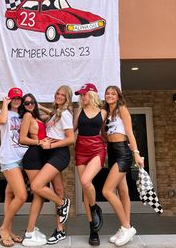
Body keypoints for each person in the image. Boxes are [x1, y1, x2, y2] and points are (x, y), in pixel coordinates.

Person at [30, 85, 75, 244]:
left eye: (62, 95)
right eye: (57, 93)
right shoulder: (56, 113)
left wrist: (51, 146)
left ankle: (63, 204)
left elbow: (71, 139)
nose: (59, 96)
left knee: (36, 186)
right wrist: (39, 106)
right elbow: (52, 114)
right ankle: (60, 230)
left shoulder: (66, 115)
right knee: (59, 189)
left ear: (67, 98)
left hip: (58, 154)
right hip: (49, 154)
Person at [102, 86, 144, 247]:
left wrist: (136, 153)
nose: (110, 95)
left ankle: (127, 227)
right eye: (108, 93)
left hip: (122, 152)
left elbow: (130, 132)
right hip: (112, 151)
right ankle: (124, 227)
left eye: (113, 93)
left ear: (118, 96)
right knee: (123, 191)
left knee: (107, 191)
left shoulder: (122, 109)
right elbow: (105, 134)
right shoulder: (106, 113)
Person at [74, 83, 106, 246]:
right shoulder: (78, 111)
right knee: (86, 189)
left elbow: (108, 131)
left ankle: (94, 209)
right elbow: (70, 129)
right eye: (80, 95)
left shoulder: (103, 112)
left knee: (86, 181)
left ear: (92, 95)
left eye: (84, 94)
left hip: (97, 149)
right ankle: (93, 231)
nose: (82, 97)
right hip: (80, 150)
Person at [0, 87, 27, 247]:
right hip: (9, 159)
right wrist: (4, 103)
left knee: (10, 194)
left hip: (22, 159)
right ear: (9, 98)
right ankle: (3, 229)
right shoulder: (3, 113)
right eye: (13, 98)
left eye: (19, 98)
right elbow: (2, 121)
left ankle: (9, 230)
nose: (16, 100)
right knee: (21, 196)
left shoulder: (23, 115)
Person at [19, 93, 47, 246]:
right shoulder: (27, 117)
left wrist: (40, 106)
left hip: (40, 155)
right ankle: (29, 233)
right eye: (26, 103)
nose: (29, 105)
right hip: (33, 156)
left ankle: (31, 229)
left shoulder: (36, 117)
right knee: (39, 192)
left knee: (40, 194)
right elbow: (22, 138)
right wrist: (39, 141)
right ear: (23, 106)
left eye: (32, 102)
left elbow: (53, 114)